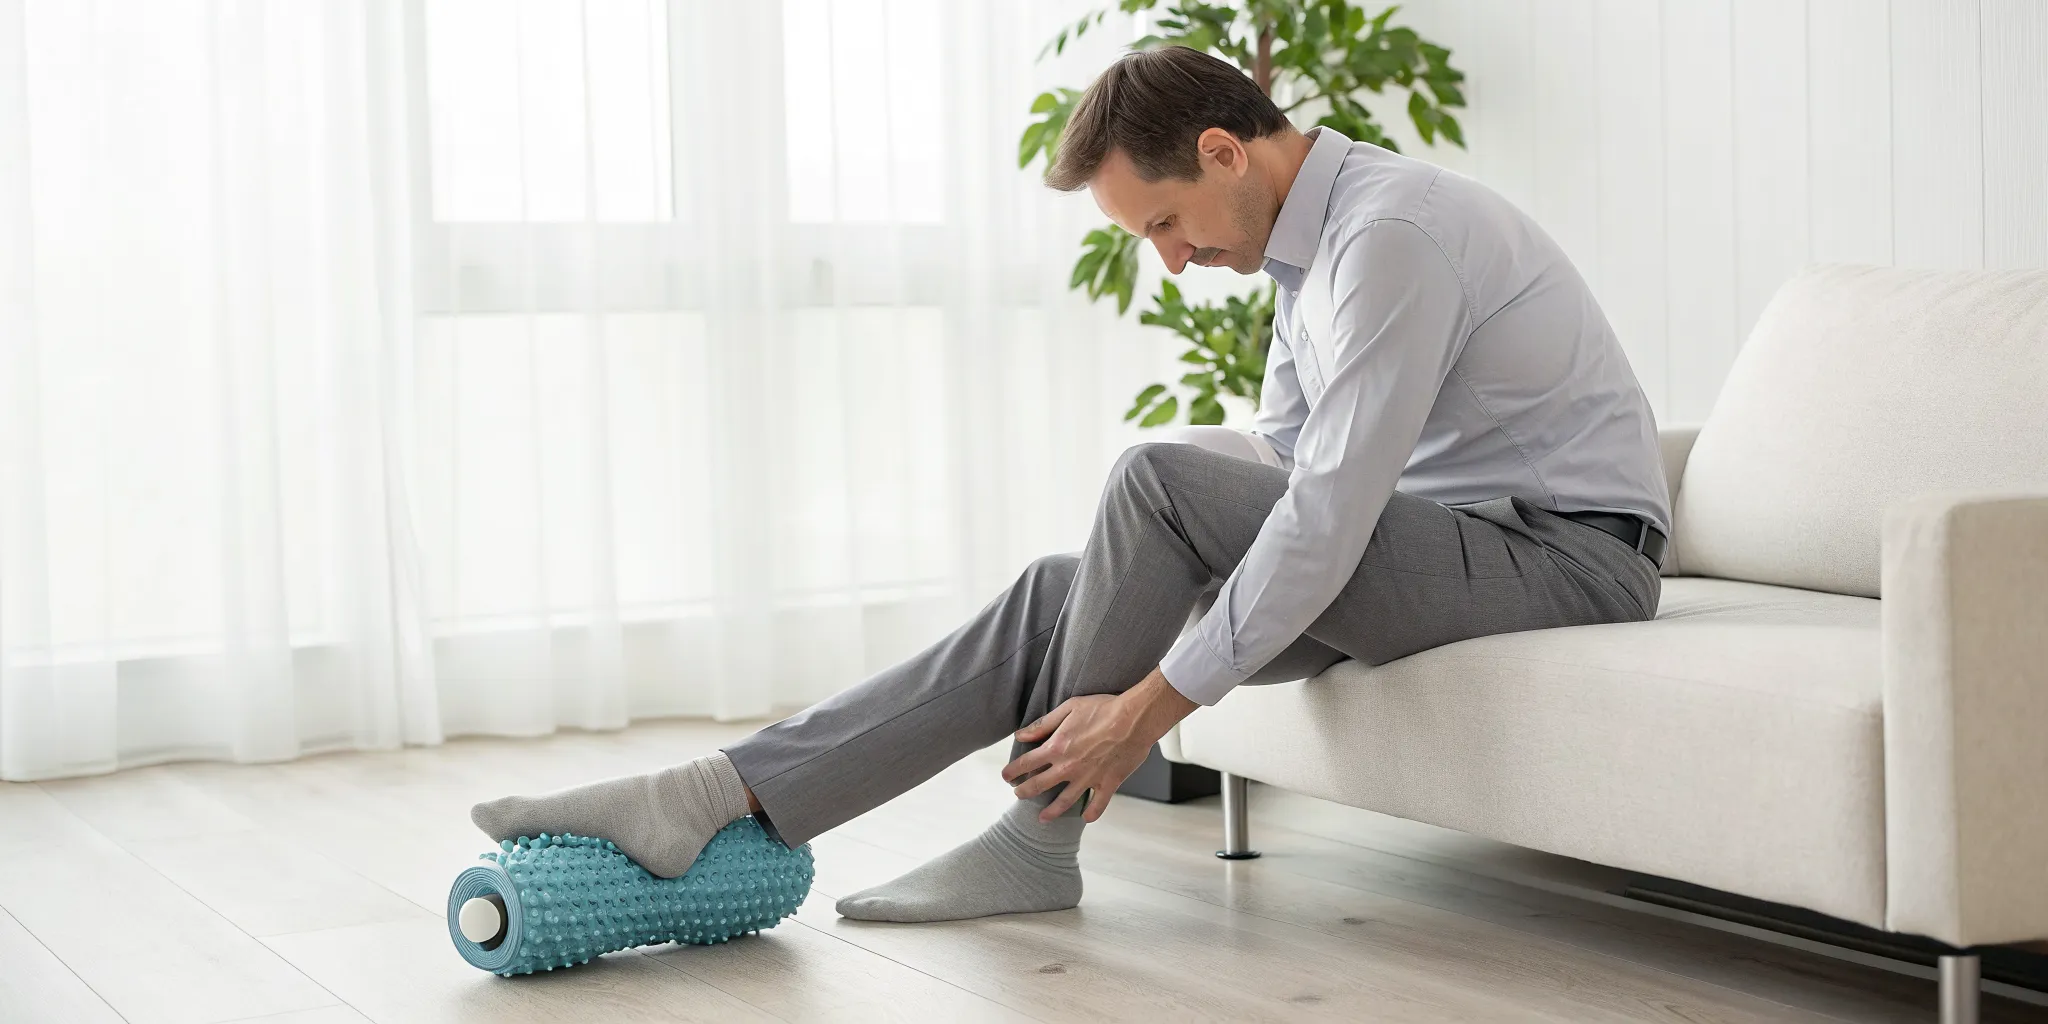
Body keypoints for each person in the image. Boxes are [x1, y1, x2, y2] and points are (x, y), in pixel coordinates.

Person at [470, 45, 1669, 924]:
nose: (1173, 262)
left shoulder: (1388, 237)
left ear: (1222, 151)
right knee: (1065, 584)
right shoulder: (1307, 258)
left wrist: (1144, 705)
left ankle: (1037, 845)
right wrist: (1135, 580)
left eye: (1165, 223)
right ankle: (707, 791)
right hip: (1444, 544)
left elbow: (1326, 509)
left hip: (1562, 558)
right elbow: (1286, 457)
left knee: (1153, 479)